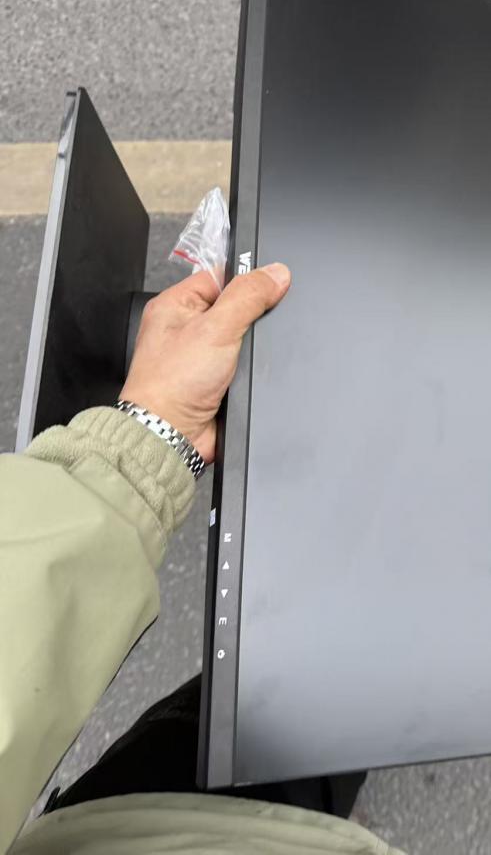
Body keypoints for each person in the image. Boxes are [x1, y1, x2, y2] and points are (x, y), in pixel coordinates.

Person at [0, 263, 405, 855]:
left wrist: (149, 434)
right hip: (196, 824)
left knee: (306, 696)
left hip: (159, 819)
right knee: (331, 696)